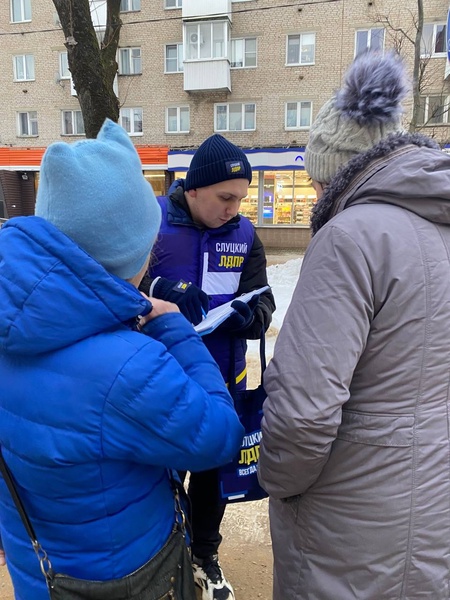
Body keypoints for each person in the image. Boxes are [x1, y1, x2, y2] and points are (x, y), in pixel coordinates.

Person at [0, 119, 245, 600]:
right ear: (126, 254)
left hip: (41, 570)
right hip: (126, 577)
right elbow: (218, 435)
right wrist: (173, 327)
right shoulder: (127, 366)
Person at [258, 50, 450, 600]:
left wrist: (276, 481)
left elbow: (302, 411)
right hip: (432, 503)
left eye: (317, 183)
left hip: (349, 525)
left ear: (336, 171)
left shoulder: (348, 237)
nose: (318, 196)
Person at [140, 133, 275, 600]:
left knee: (212, 472)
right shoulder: (149, 219)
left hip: (223, 379)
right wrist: (159, 285)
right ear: (193, 189)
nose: (233, 209)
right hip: (158, 374)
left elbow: (264, 300)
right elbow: (111, 280)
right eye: (224, 197)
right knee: (159, 471)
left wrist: (250, 315)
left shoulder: (245, 234)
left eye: (240, 199)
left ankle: (204, 555)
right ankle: (161, 554)